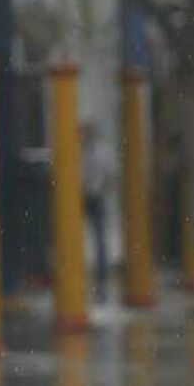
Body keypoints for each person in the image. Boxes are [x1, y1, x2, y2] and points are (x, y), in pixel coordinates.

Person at [81, 123, 118, 303]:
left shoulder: (103, 151)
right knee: (90, 237)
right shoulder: (77, 151)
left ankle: (101, 279)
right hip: (80, 195)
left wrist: (101, 190)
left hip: (95, 196)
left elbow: (111, 176)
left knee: (100, 238)